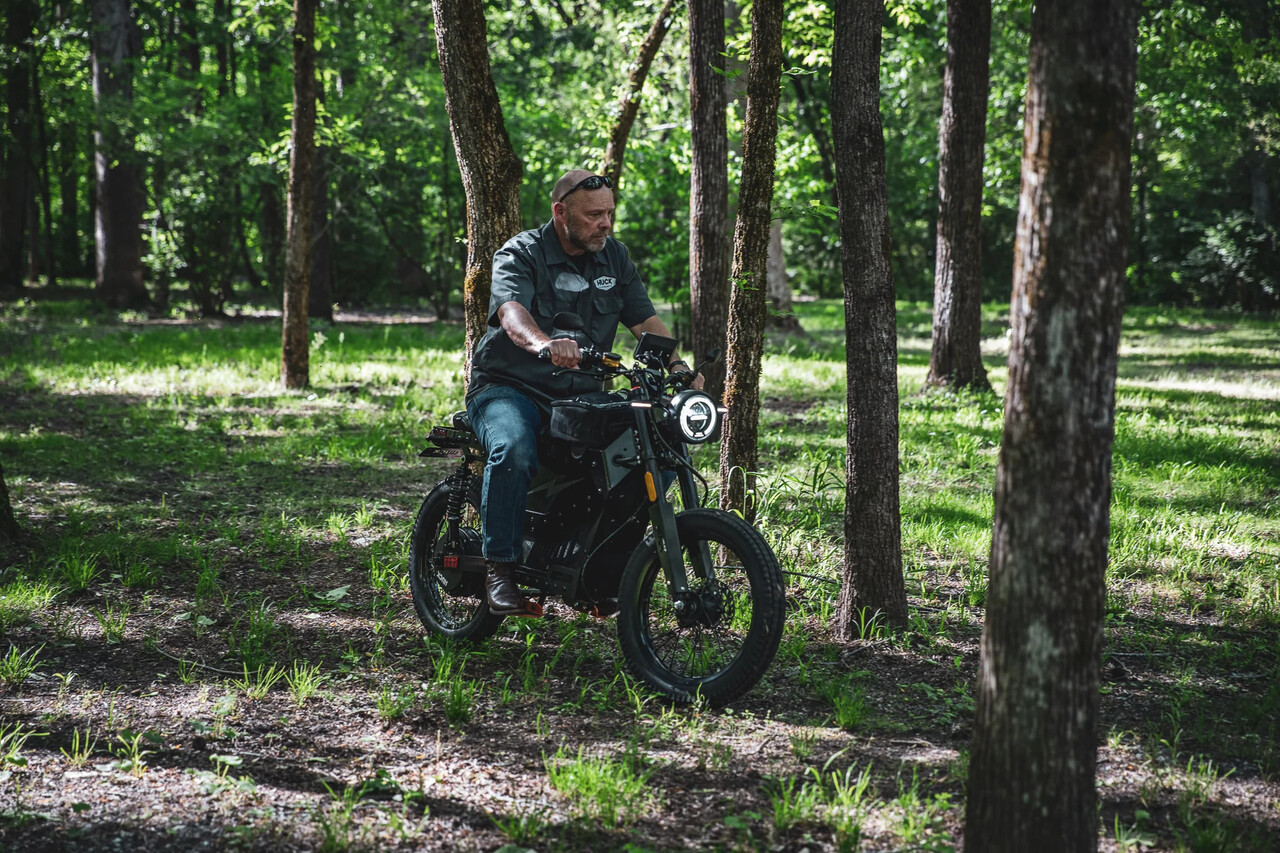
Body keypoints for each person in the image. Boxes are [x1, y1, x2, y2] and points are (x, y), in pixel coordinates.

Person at [466, 169, 702, 616]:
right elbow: (511, 313)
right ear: (560, 212)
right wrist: (544, 344)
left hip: (578, 397)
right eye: (594, 215)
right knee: (513, 448)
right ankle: (498, 569)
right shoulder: (521, 253)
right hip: (509, 389)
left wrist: (677, 365)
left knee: (653, 448)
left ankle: (600, 575)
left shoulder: (614, 257)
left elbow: (644, 321)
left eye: (609, 213)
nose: (605, 223)